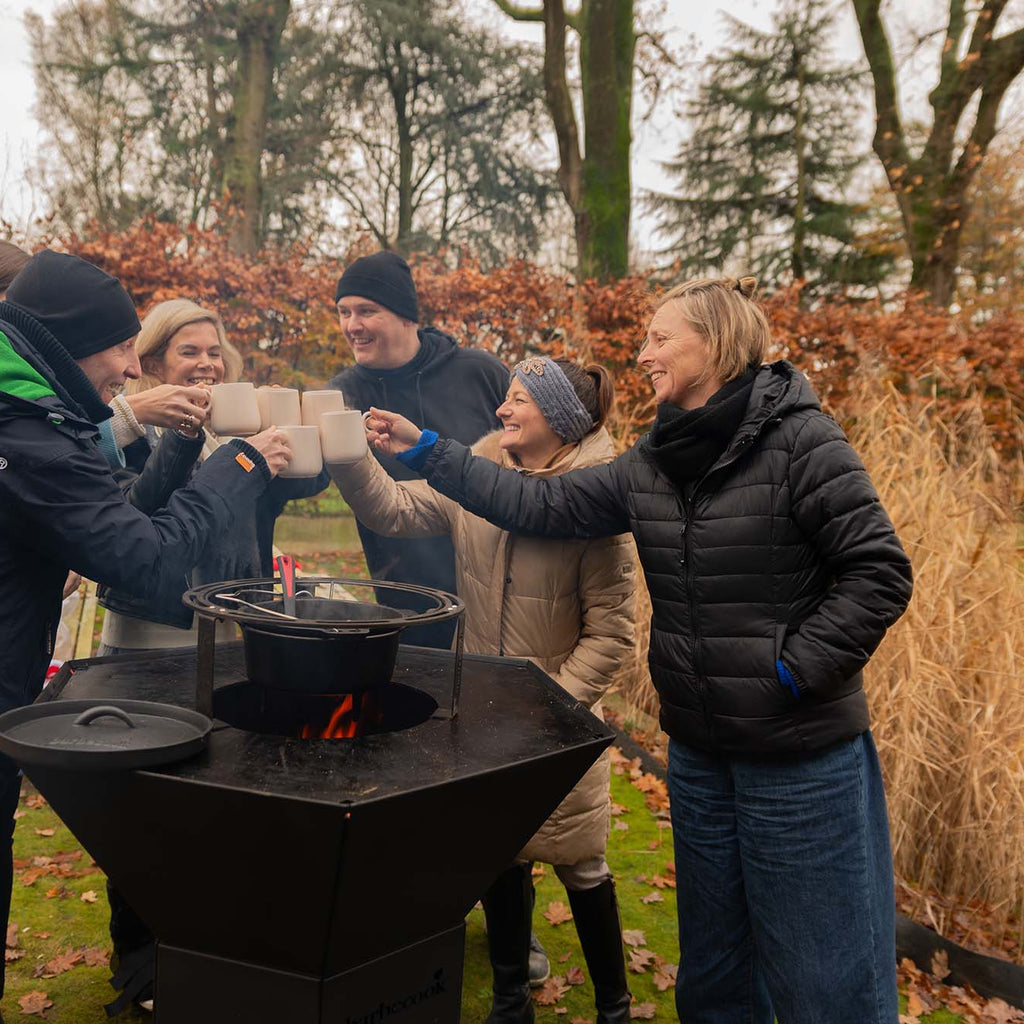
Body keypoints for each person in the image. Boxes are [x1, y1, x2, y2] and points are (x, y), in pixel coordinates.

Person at [364, 277, 915, 1024]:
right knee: (715, 977)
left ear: (715, 345)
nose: (643, 352)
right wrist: (429, 450)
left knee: (823, 983)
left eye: (660, 338)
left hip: (797, 756)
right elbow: (539, 503)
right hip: (699, 754)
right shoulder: (654, 460)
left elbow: (878, 572)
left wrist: (789, 671)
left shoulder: (802, 441)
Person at [0, 250, 291, 1005]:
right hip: (133, 639)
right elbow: (138, 556)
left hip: (213, 634)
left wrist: (230, 448)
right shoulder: (34, 429)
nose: (130, 369)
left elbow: (119, 520)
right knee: (144, 812)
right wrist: (240, 467)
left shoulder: (38, 417)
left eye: (210, 351)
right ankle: (142, 955)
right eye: (125, 348)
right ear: (72, 343)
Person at [329, 356, 636, 1024]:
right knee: (499, 857)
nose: (502, 410)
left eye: (519, 399)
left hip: (558, 722)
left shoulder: (593, 503)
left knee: (580, 862)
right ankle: (510, 1001)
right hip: (485, 714)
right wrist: (349, 454)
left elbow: (613, 635)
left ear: (557, 418)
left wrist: (552, 706)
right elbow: (397, 510)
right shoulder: (480, 473)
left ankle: (614, 1007)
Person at [97, 298, 330, 655]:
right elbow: (136, 509)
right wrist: (184, 433)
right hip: (146, 635)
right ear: (155, 363)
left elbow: (308, 483)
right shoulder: (130, 430)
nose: (207, 364)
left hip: (232, 629)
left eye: (215, 353)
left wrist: (290, 422)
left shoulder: (238, 434)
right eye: (190, 352)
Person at [329, 250, 508, 649]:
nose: (351, 326)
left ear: (407, 315)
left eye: (366, 311)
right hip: (403, 604)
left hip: (499, 593)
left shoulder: (481, 373)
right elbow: (308, 480)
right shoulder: (342, 395)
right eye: (344, 312)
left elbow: (530, 458)